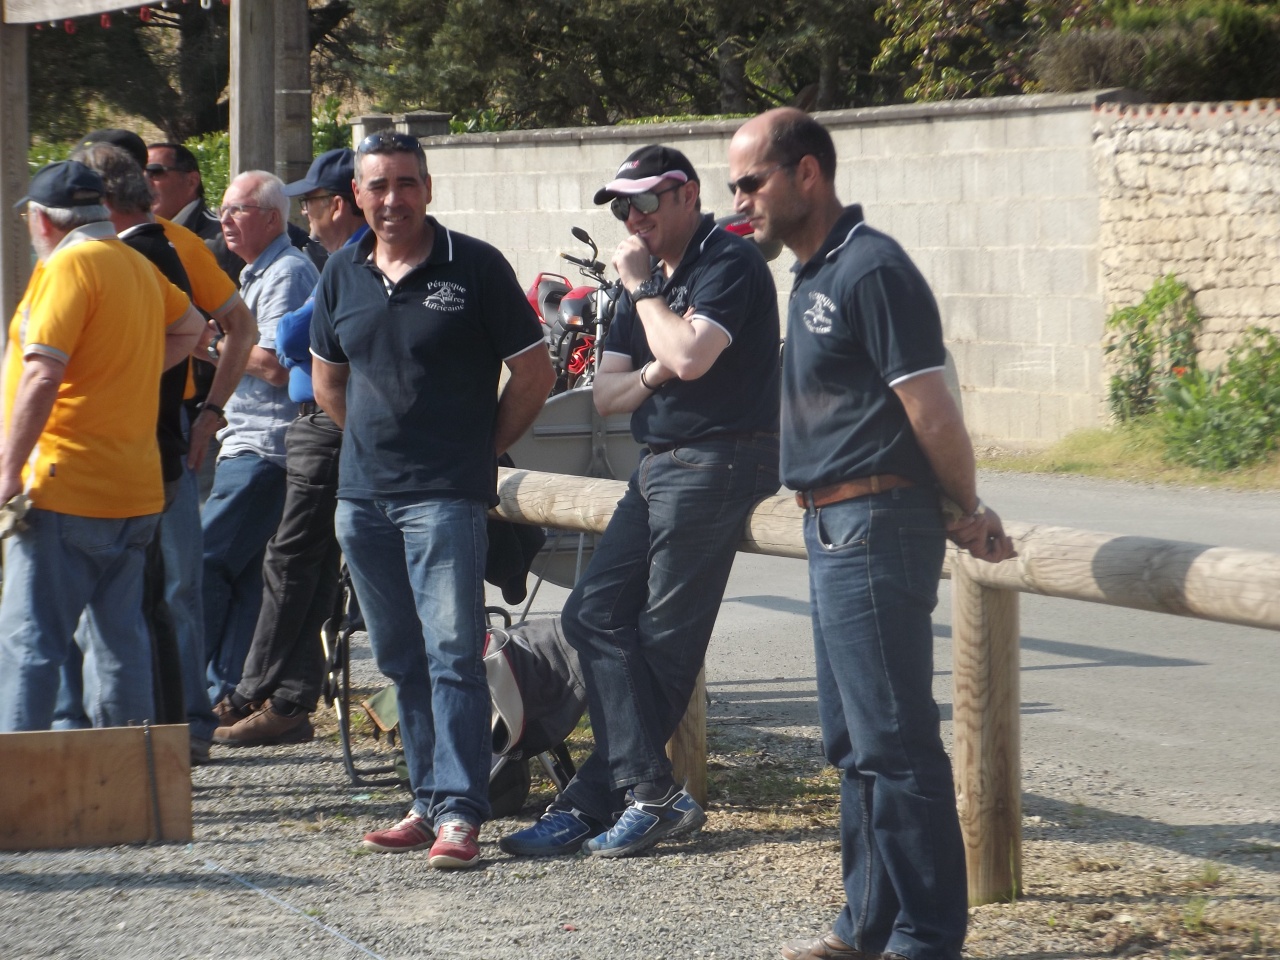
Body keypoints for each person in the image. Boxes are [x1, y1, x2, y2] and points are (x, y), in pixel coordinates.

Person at [727, 108, 1017, 960]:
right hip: (831, 525)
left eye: (752, 181)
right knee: (855, 746)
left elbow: (932, 410)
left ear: (807, 173)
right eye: (734, 185)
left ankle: (928, 938)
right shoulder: (814, 274)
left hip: (875, 523)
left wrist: (967, 508)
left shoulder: (872, 268)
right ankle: (865, 929)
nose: (740, 200)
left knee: (895, 744)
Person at [500, 144, 781, 860]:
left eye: (646, 201)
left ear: (687, 195)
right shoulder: (643, 283)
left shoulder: (728, 263)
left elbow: (692, 357)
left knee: (664, 644)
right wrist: (658, 366)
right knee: (590, 616)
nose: (633, 218)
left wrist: (647, 300)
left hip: (722, 458)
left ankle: (601, 801)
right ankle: (646, 791)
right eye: (623, 207)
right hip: (658, 463)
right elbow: (606, 395)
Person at [311, 131, 554, 868]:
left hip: (446, 497)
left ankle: (460, 813)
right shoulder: (340, 272)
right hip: (363, 500)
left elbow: (535, 373)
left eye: (407, 183)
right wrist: (374, 448)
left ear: (428, 188)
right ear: (357, 195)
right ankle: (426, 800)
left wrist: (479, 451)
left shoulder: (474, 265)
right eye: (378, 185)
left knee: (452, 654)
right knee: (399, 656)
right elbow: (328, 382)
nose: (393, 199)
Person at [72, 128, 257, 763]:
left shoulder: (172, 244)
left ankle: (188, 724)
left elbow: (237, 327)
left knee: (175, 585)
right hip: (104, 439)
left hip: (165, 432)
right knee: (116, 594)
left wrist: (210, 414)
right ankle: (111, 732)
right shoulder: (80, 252)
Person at [0, 161, 204, 732]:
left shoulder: (68, 266)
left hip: (66, 483)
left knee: (31, 643)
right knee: (120, 644)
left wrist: (8, 469)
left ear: (43, 220)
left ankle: (18, 783)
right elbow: (193, 328)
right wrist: (124, 375)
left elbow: (43, 374)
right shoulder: (133, 263)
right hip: (133, 490)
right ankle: (127, 778)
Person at [214, 149, 368, 748]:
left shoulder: (344, 261)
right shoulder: (338, 261)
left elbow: (288, 339)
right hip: (319, 425)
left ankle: (248, 690)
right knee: (310, 568)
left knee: (289, 561)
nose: (307, 214)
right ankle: (287, 702)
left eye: (312, 202)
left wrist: (230, 341)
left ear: (338, 205)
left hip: (324, 427)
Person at [203, 171, 319, 713]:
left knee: (205, 562)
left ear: (273, 218)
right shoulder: (256, 272)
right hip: (251, 443)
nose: (224, 220)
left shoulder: (287, 273)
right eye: (223, 209)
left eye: (238, 210)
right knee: (249, 577)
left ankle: (194, 693)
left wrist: (209, 344)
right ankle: (229, 692)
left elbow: (273, 366)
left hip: (263, 447)